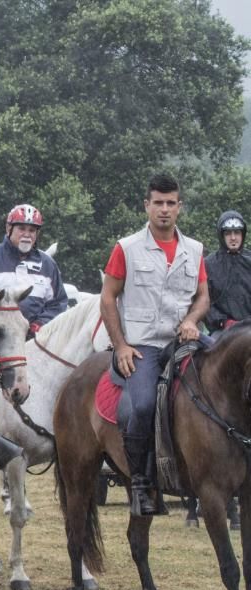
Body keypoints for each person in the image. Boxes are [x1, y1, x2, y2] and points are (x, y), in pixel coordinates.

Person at [100, 173, 208, 516]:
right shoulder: (126, 248)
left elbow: (204, 296)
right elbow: (107, 298)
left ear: (180, 207)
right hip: (143, 346)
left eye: (170, 203)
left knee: (225, 380)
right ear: (147, 205)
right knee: (144, 405)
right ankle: (142, 485)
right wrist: (120, 346)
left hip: (181, 341)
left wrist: (192, 320)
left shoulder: (194, 250)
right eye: (158, 203)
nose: (164, 209)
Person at [0, 203, 68, 337]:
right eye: (21, 228)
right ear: (9, 228)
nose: (27, 234)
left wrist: (40, 324)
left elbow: (58, 304)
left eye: (32, 230)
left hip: (37, 341)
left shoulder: (48, 265)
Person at [205, 210, 251, 336]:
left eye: (237, 232)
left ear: (243, 234)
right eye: (228, 233)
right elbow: (204, 301)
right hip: (223, 331)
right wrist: (223, 321)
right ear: (221, 236)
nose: (233, 238)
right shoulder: (209, 264)